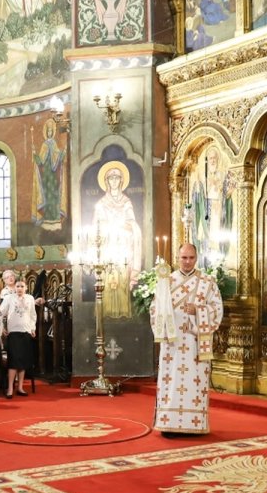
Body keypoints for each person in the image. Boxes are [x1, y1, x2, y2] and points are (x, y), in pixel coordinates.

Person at [150, 243, 225, 436]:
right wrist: (164, 328)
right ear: (178, 258)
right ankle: (168, 424)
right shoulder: (166, 282)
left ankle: (194, 426)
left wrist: (198, 311)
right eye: (184, 258)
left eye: (191, 258)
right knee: (171, 383)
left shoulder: (208, 282)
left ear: (196, 258)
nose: (187, 262)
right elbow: (154, 309)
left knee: (194, 384)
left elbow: (217, 310)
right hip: (172, 343)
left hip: (195, 342)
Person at [92, 160, 142, 319]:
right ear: (106, 181)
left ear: (121, 181)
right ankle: (105, 312)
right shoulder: (101, 204)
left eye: (117, 177)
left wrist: (125, 225)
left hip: (123, 249)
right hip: (107, 248)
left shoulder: (126, 202)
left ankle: (123, 312)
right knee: (107, 281)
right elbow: (96, 227)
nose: (114, 181)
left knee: (121, 280)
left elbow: (132, 223)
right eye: (111, 178)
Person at [0, 277, 36, 398]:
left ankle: (20, 387)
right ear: (14, 287)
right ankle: (10, 388)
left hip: (26, 332)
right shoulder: (8, 298)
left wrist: (33, 328)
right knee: (13, 361)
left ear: (26, 287)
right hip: (13, 333)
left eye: (22, 286)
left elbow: (33, 315)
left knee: (23, 361)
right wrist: (2, 328)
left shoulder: (30, 298)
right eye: (18, 286)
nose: (20, 288)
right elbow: (0, 313)